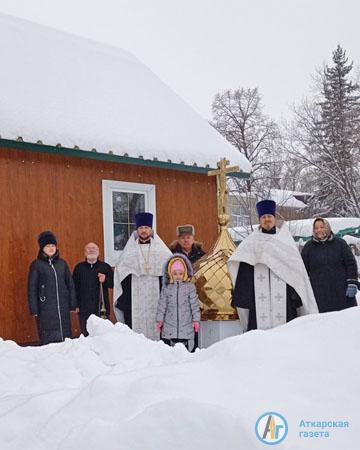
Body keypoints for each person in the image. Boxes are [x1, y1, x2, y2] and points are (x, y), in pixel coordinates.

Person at [228, 200, 318, 332]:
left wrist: (294, 297)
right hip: (258, 299)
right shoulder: (251, 242)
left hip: (285, 299)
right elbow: (243, 267)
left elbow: (295, 270)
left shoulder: (285, 241)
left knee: (286, 332)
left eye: (269, 216)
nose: (267, 220)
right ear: (260, 220)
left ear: (274, 218)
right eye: (263, 217)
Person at [113, 212, 172, 340]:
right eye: (141, 228)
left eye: (146, 228)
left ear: (151, 230)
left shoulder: (162, 251)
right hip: (134, 295)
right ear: (137, 230)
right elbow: (120, 271)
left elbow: (171, 269)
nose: (144, 231)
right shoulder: (129, 251)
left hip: (155, 293)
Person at [28, 231, 77, 345]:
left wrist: (72, 304)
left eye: (53, 245)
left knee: (65, 337)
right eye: (48, 246)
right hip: (45, 307)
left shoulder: (62, 264)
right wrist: (34, 308)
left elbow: (70, 284)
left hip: (63, 306)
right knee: (49, 336)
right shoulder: (37, 265)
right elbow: (32, 288)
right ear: (42, 248)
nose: (51, 248)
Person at [301, 218, 358, 312]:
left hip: (342, 291)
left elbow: (350, 264)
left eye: (322, 227)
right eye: (316, 228)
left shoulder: (340, 243)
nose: (319, 230)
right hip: (319, 293)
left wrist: (352, 282)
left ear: (327, 227)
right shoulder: (309, 247)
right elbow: (303, 270)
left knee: (345, 321)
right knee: (324, 322)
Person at [156, 254, 201, 349]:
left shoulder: (190, 287)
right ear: (170, 273)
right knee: (171, 351)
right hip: (169, 325)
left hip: (186, 324)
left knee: (185, 351)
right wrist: (159, 320)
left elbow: (194, 305)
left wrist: (196, 320)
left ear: (184, 273)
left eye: (180, 274)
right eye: (175, 274)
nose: (178, 276)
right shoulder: (167, 288)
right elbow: (162, 305)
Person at [73, 242, 114, 336]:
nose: (91, 250)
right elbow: (74, 287)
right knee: (86, 335)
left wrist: (105, 280)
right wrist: (75, 305)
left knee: (103, 335)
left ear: (98, 252)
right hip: (84, 309)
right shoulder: (79, 268)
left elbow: (113, 284)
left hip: (101, 308)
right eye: (89, 248)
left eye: (94, 248)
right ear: (84, 252)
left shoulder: (105, 267)